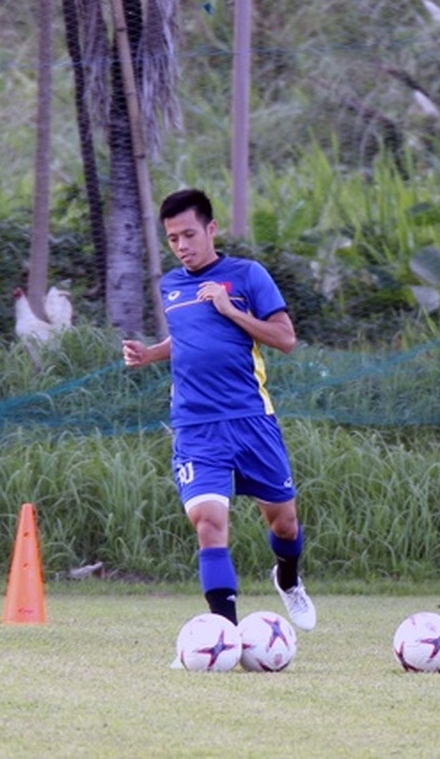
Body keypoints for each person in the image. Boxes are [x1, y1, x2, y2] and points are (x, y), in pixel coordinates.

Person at [122, 188, 316, 631]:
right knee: (208, 523)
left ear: (211, 229)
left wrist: (231, 310)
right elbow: (190, 339)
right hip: (195, 426)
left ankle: (288, 578)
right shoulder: (171, 286)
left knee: (284, 525)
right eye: (172, 239)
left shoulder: (248, 275)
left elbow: (285, 339)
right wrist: (151, 353)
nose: (182, 246)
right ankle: (224, 634)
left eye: (189, 234)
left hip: (251, 420)